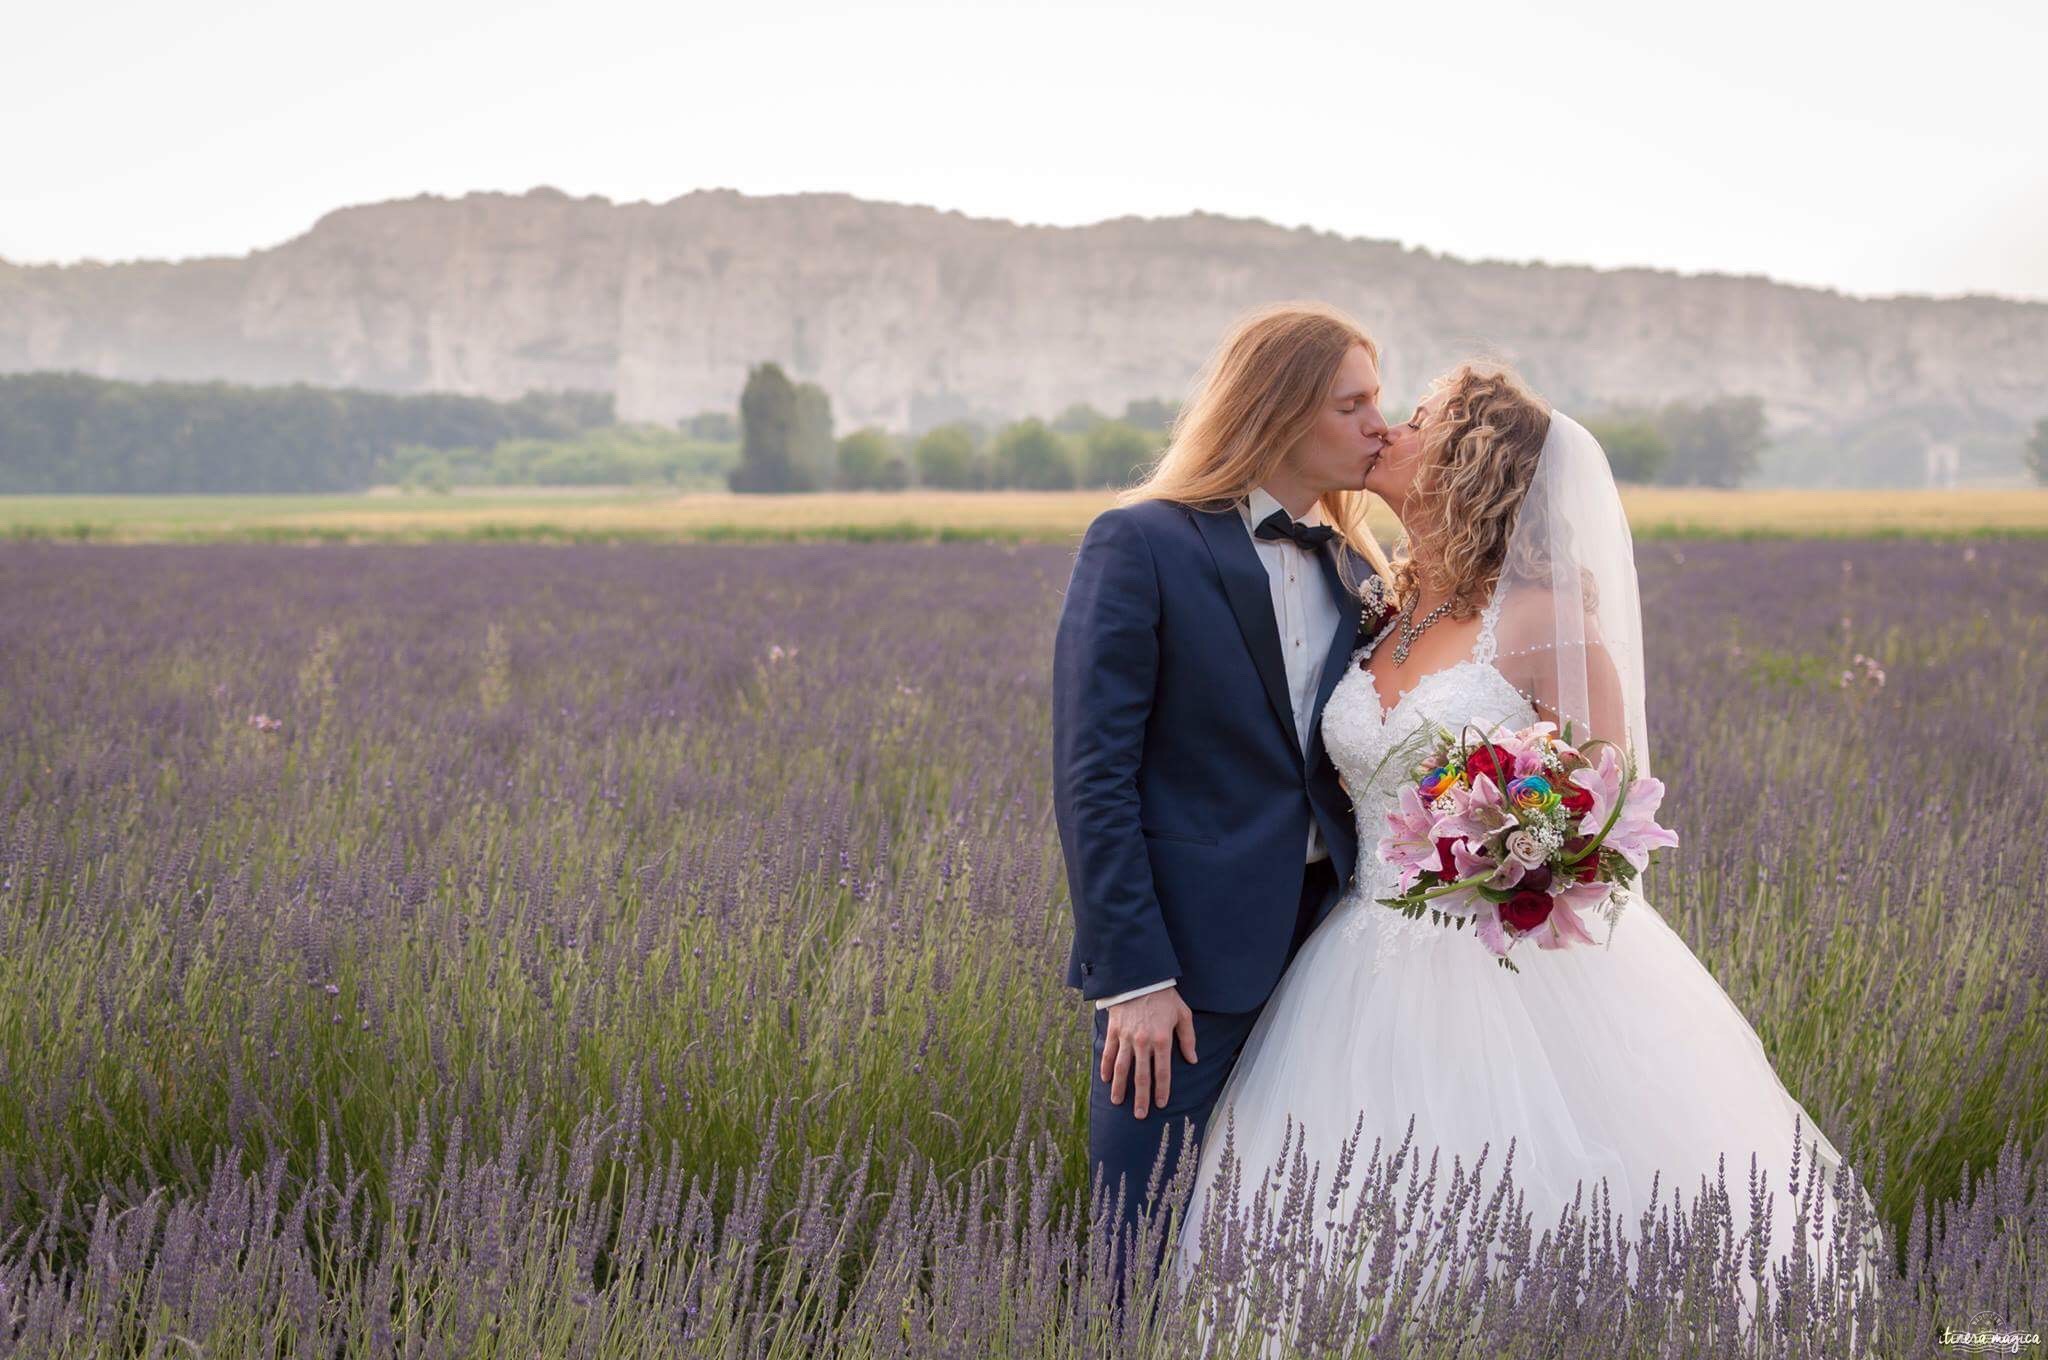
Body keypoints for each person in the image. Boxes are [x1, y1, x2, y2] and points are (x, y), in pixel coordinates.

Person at [1171, 361, 1877, 1322]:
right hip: (1355, 958)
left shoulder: (1544, 621)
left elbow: (1607, 810)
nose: (1385, 429)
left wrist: (1517, 845)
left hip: (1510, 964)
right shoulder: (1379, 606)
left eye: (1415, 420)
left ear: (1469, 463)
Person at [1050, 301, 1391, 1283]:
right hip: (1182, 975)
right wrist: (1134, 980)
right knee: (1136, 1245)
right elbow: (1092, 777)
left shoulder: (1353, 568)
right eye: (1352, 402)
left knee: (1296, 1236)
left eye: (1377, 398)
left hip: (1333, 952)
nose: (1379, 421)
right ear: (1279, 410)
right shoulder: (1139, 542)